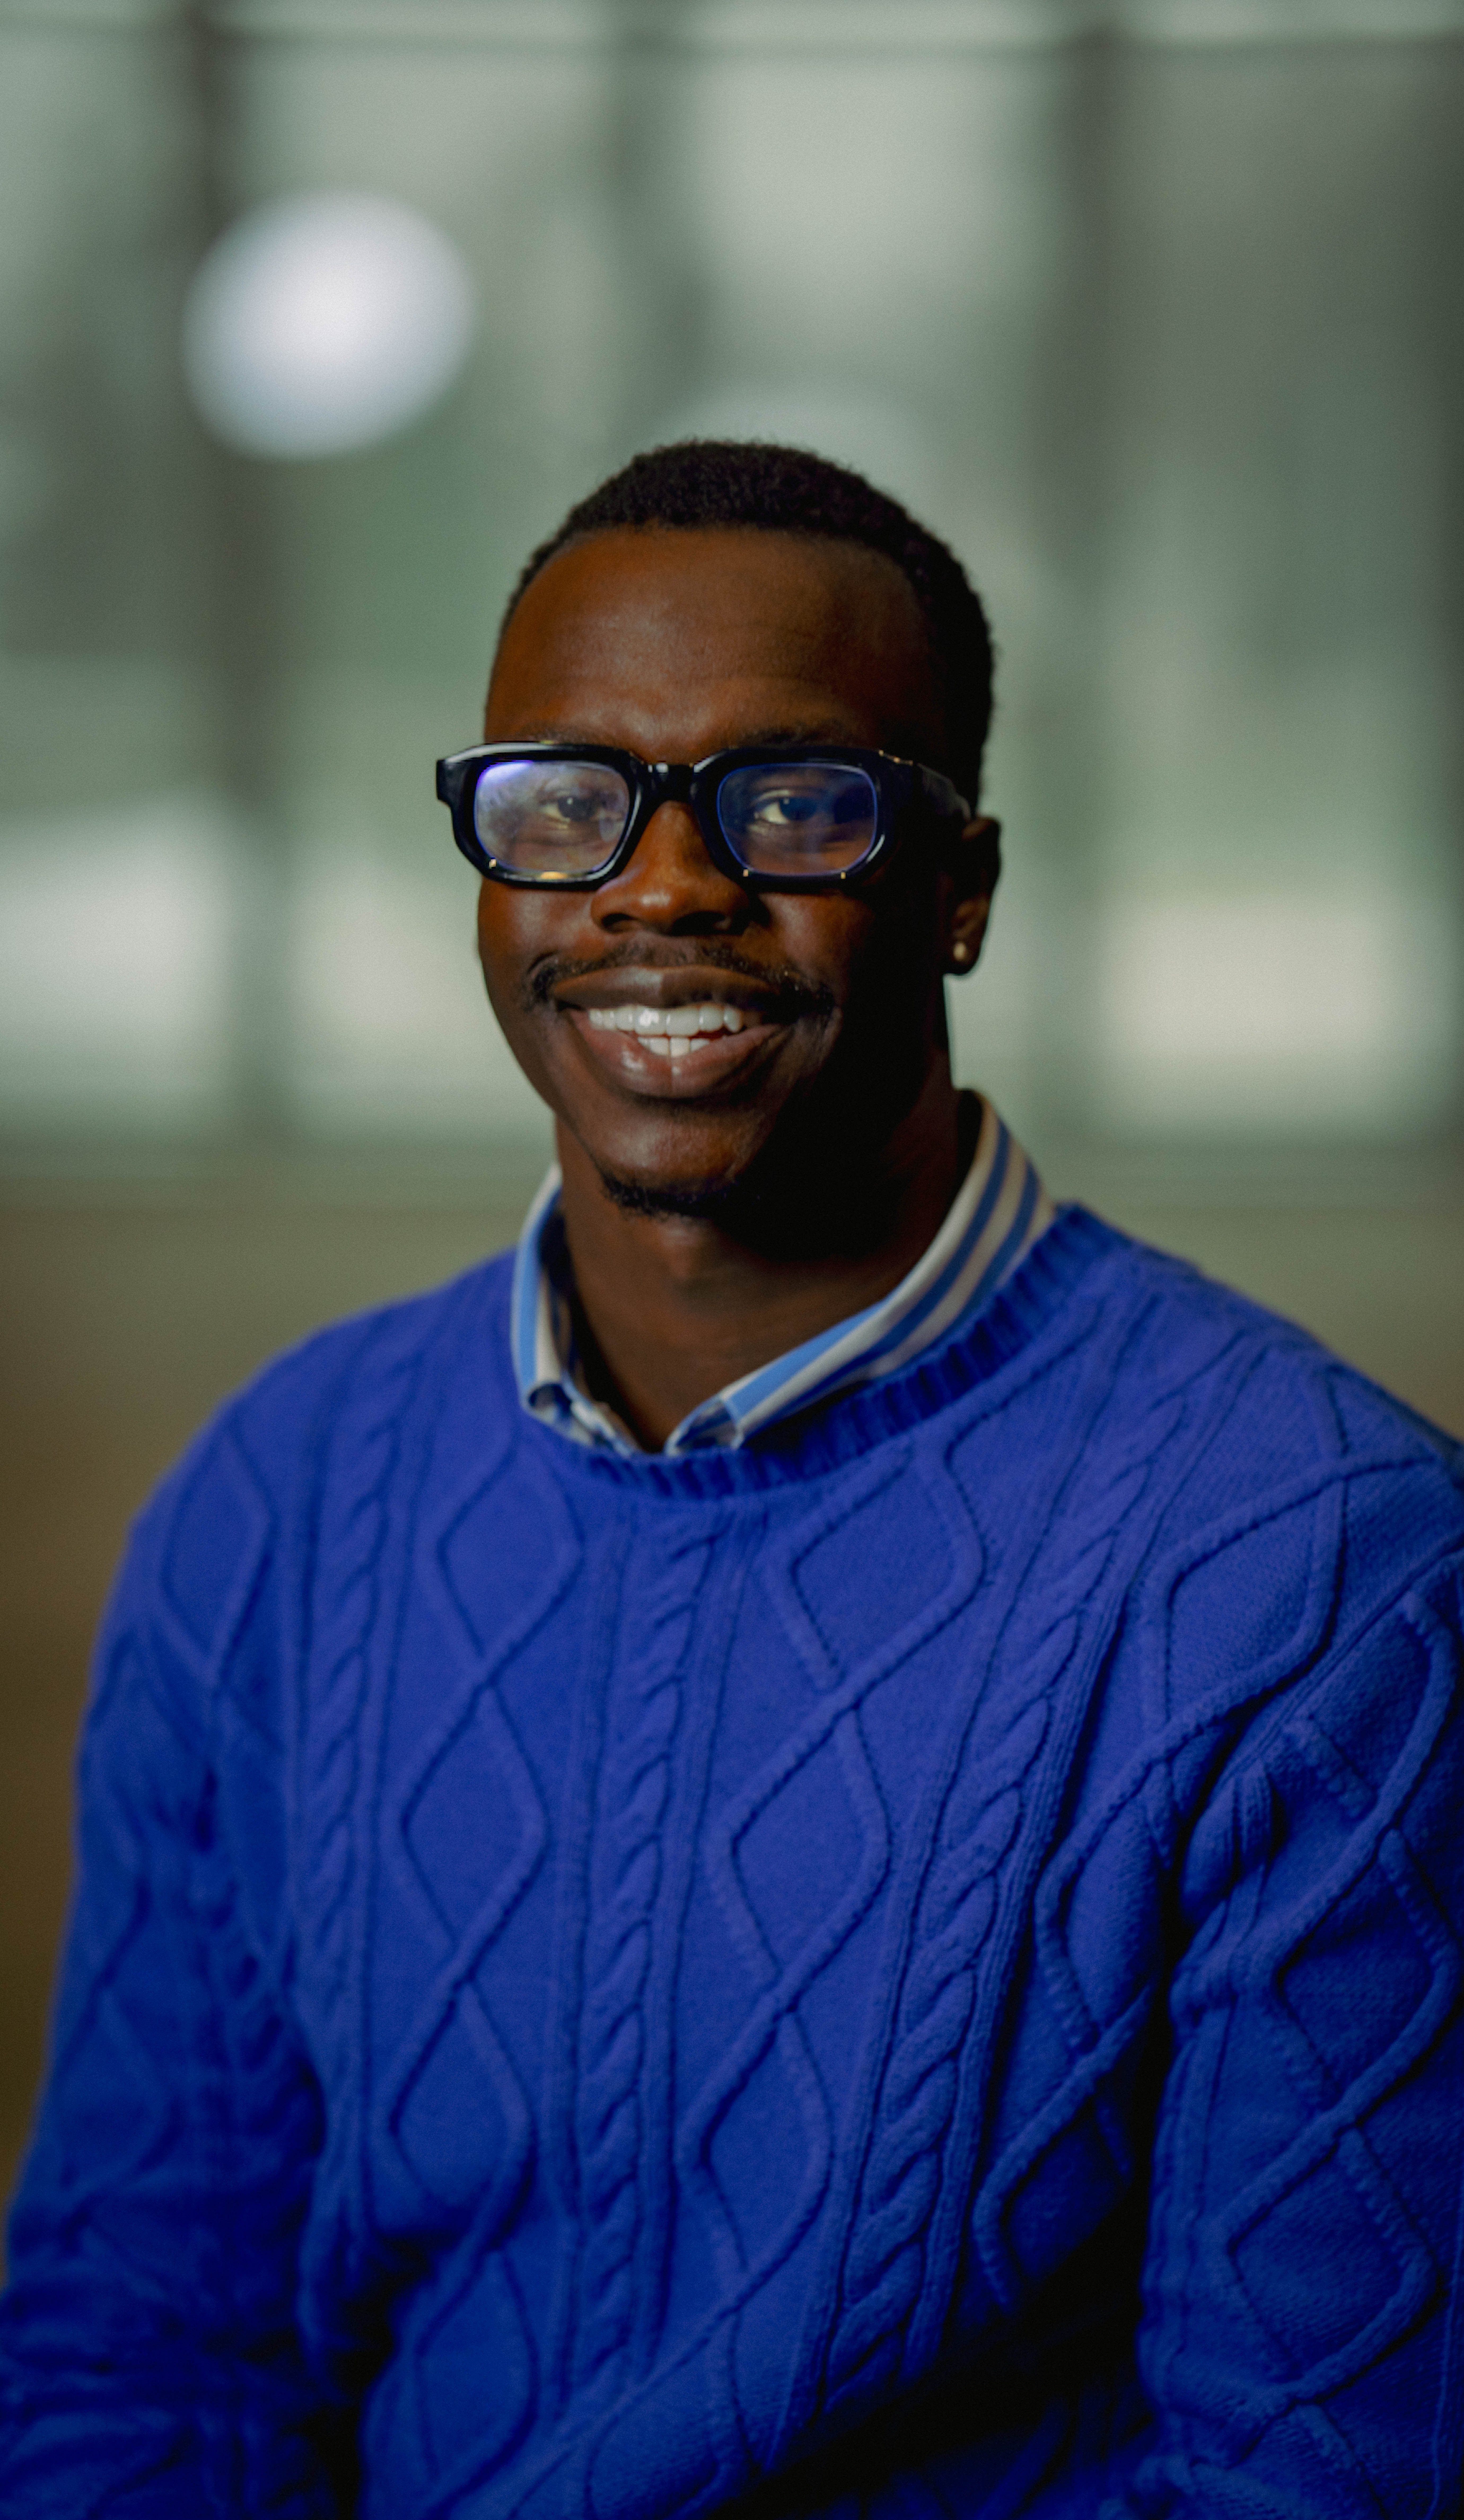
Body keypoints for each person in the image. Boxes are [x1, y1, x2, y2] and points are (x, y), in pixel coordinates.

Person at [1, 440, 1461, 2520]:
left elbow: (1318, 2483)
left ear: (956, 887)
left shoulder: (1324, 1576)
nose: (660, 885)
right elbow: (142, 2347)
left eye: (795, 804)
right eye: (563, 803)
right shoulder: (278, 1504)